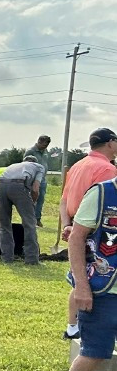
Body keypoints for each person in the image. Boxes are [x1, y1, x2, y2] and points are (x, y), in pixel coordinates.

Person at [41, 175, 117, 371]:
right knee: (94, 353)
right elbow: (76, 239)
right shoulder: (102, 194)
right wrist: (82, 288)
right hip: (104, 289)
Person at [57, 129, 117, 339]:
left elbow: (64, 200)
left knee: (79, 275)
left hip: (76, 225)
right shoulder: (107, 169)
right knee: (96, 279)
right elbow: (108, 207)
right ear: (110, 143)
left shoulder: (77, 165)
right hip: (100, 230)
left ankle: (73, 326)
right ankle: (89, 331)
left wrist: (67, 225)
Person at [0, 155, 46, 266]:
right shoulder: (39, 167)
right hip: (18, 185)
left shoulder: (14, 165)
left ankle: (7, 258)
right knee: (29, 223)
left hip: (0, 185)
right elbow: (35, 188)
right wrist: (32, 203)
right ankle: (32, 259)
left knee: (5, 224)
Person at [26, 134, 52, 226]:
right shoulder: (30, 151)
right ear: (39, 142)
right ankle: (29, 219)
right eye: (44, 145)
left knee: (40, 200)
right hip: (33, 180)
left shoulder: (45, 151)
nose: (45, 147)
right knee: (31, 200)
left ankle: (37, 219)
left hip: (43, 179)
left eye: (47, 145)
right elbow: (26, 166)